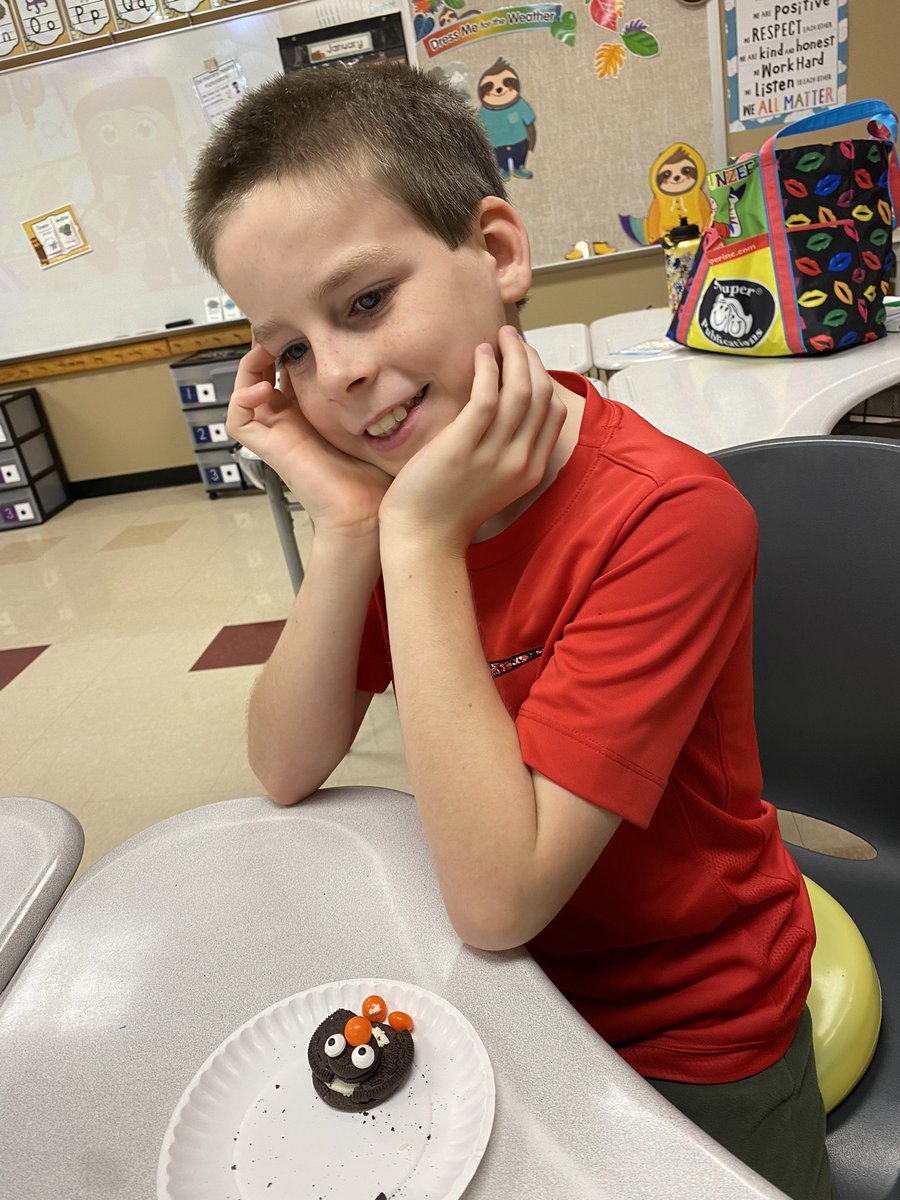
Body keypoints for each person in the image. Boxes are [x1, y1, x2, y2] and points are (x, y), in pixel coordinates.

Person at [185, 64, 831, 1200]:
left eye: (365, 302)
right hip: (504, 996)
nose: (333, 374)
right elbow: (285, 767)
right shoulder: (397, 498)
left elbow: (496, 897)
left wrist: (420, 545)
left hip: (694, 1023)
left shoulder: (669, 518)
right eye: (285, 348)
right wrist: (348, 532)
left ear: (495, 253)